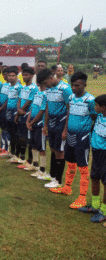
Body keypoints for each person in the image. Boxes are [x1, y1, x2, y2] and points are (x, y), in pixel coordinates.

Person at [50, 72, 96, 209]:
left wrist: (88, 132)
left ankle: (82, 197)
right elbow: (69, 113)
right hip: (70, 135)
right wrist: (65, 130)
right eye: (73, 85)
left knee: (83, 167)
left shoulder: (90, 100)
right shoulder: (70, 97)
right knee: (70, 163)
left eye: (77, 85)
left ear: (84, 85)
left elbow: (95, 117)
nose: (74, 88)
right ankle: (67, 187)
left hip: (82, 138)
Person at [38, 68, 72, 190]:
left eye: (45, 83)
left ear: (50, 78)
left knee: (59, 151)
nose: (45, 86)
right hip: (51, 123)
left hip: (61, 123)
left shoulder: (65, 88)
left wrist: (65, 129)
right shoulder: (49, 89)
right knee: (52, 149)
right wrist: (45, 125)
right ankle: (52, 175)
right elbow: (47, 107)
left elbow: (70, 109)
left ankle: (58, 180)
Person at [78, 94, 106, 224]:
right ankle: (95, 205)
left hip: (105, 154)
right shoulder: (99, 116)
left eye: (96, 105)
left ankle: (104, 211)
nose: (94, 107)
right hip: (96, 151)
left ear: (103, 107)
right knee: (95, 177)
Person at [14, 67, 38, 167]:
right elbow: (19, 99)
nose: (24, 77)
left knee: (28, 138)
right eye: (23, 75)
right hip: (21, 114)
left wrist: (21, 110)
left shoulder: (34, 88)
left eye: (26, 75)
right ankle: (22, 157)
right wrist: (18, 110)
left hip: (27, 115)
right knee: (21, 136)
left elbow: (29, 101)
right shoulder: (23, 87)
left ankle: (30, 160)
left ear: (32, 76)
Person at [26, 77, 48, 180]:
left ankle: (42, 169)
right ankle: (35, 165)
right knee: (33, 144)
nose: (38, 82)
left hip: (39, 124)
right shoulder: (37, 93)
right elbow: (32, 107)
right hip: (32, 122)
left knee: (41, 147)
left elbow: (42, 111)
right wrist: (28, 120)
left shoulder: (46, 94)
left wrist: (32, 122)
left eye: (40, 80)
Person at [4, 66, 22, 163]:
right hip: (8, 111)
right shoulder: (10, 86)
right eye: (9, 76)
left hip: (15, 112)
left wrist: (18, 112)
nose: (11, 77)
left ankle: (16, 154)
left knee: (16, 133)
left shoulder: (19, 87)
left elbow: (20, 100)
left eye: (13, 76)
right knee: (10, 132)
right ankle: (11, 152)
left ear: (16, 76)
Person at [0, 68, 11, 157]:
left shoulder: (11, 86)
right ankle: (2, 146)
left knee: (6, 129)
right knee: (2, 128)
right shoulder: (4, 84)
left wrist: (1, 107)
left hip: (5, 109)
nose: (6, 76)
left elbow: (8, 99)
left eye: (8, 75)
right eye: (4, 74)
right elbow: (1, 97)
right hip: (0, 109)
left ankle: (7, 149)